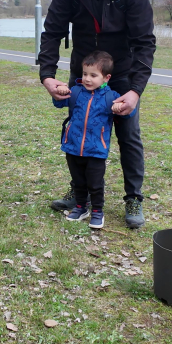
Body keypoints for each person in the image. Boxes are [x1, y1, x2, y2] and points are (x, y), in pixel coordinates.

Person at [38, 0, 155, 229]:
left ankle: (134, 197)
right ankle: (80, 195)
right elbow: (52, 32)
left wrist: (135, 91)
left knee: (128, 136)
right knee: (80, 130)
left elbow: (144, 41)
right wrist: (48, 75)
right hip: (84, 72)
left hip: (123, 72)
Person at [53, 51, 136, 230]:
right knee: (78, 181)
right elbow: (59, 103)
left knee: (95, 183)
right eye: (84, 74)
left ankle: (97, 211)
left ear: (106, 77)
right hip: (73, 147)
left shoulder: (110, 97)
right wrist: (58, 92)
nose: (87, 79)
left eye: (93, 75)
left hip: (96, 149)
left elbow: (130, 114)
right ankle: (81, 207)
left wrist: (121, 106)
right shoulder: (75, 91)